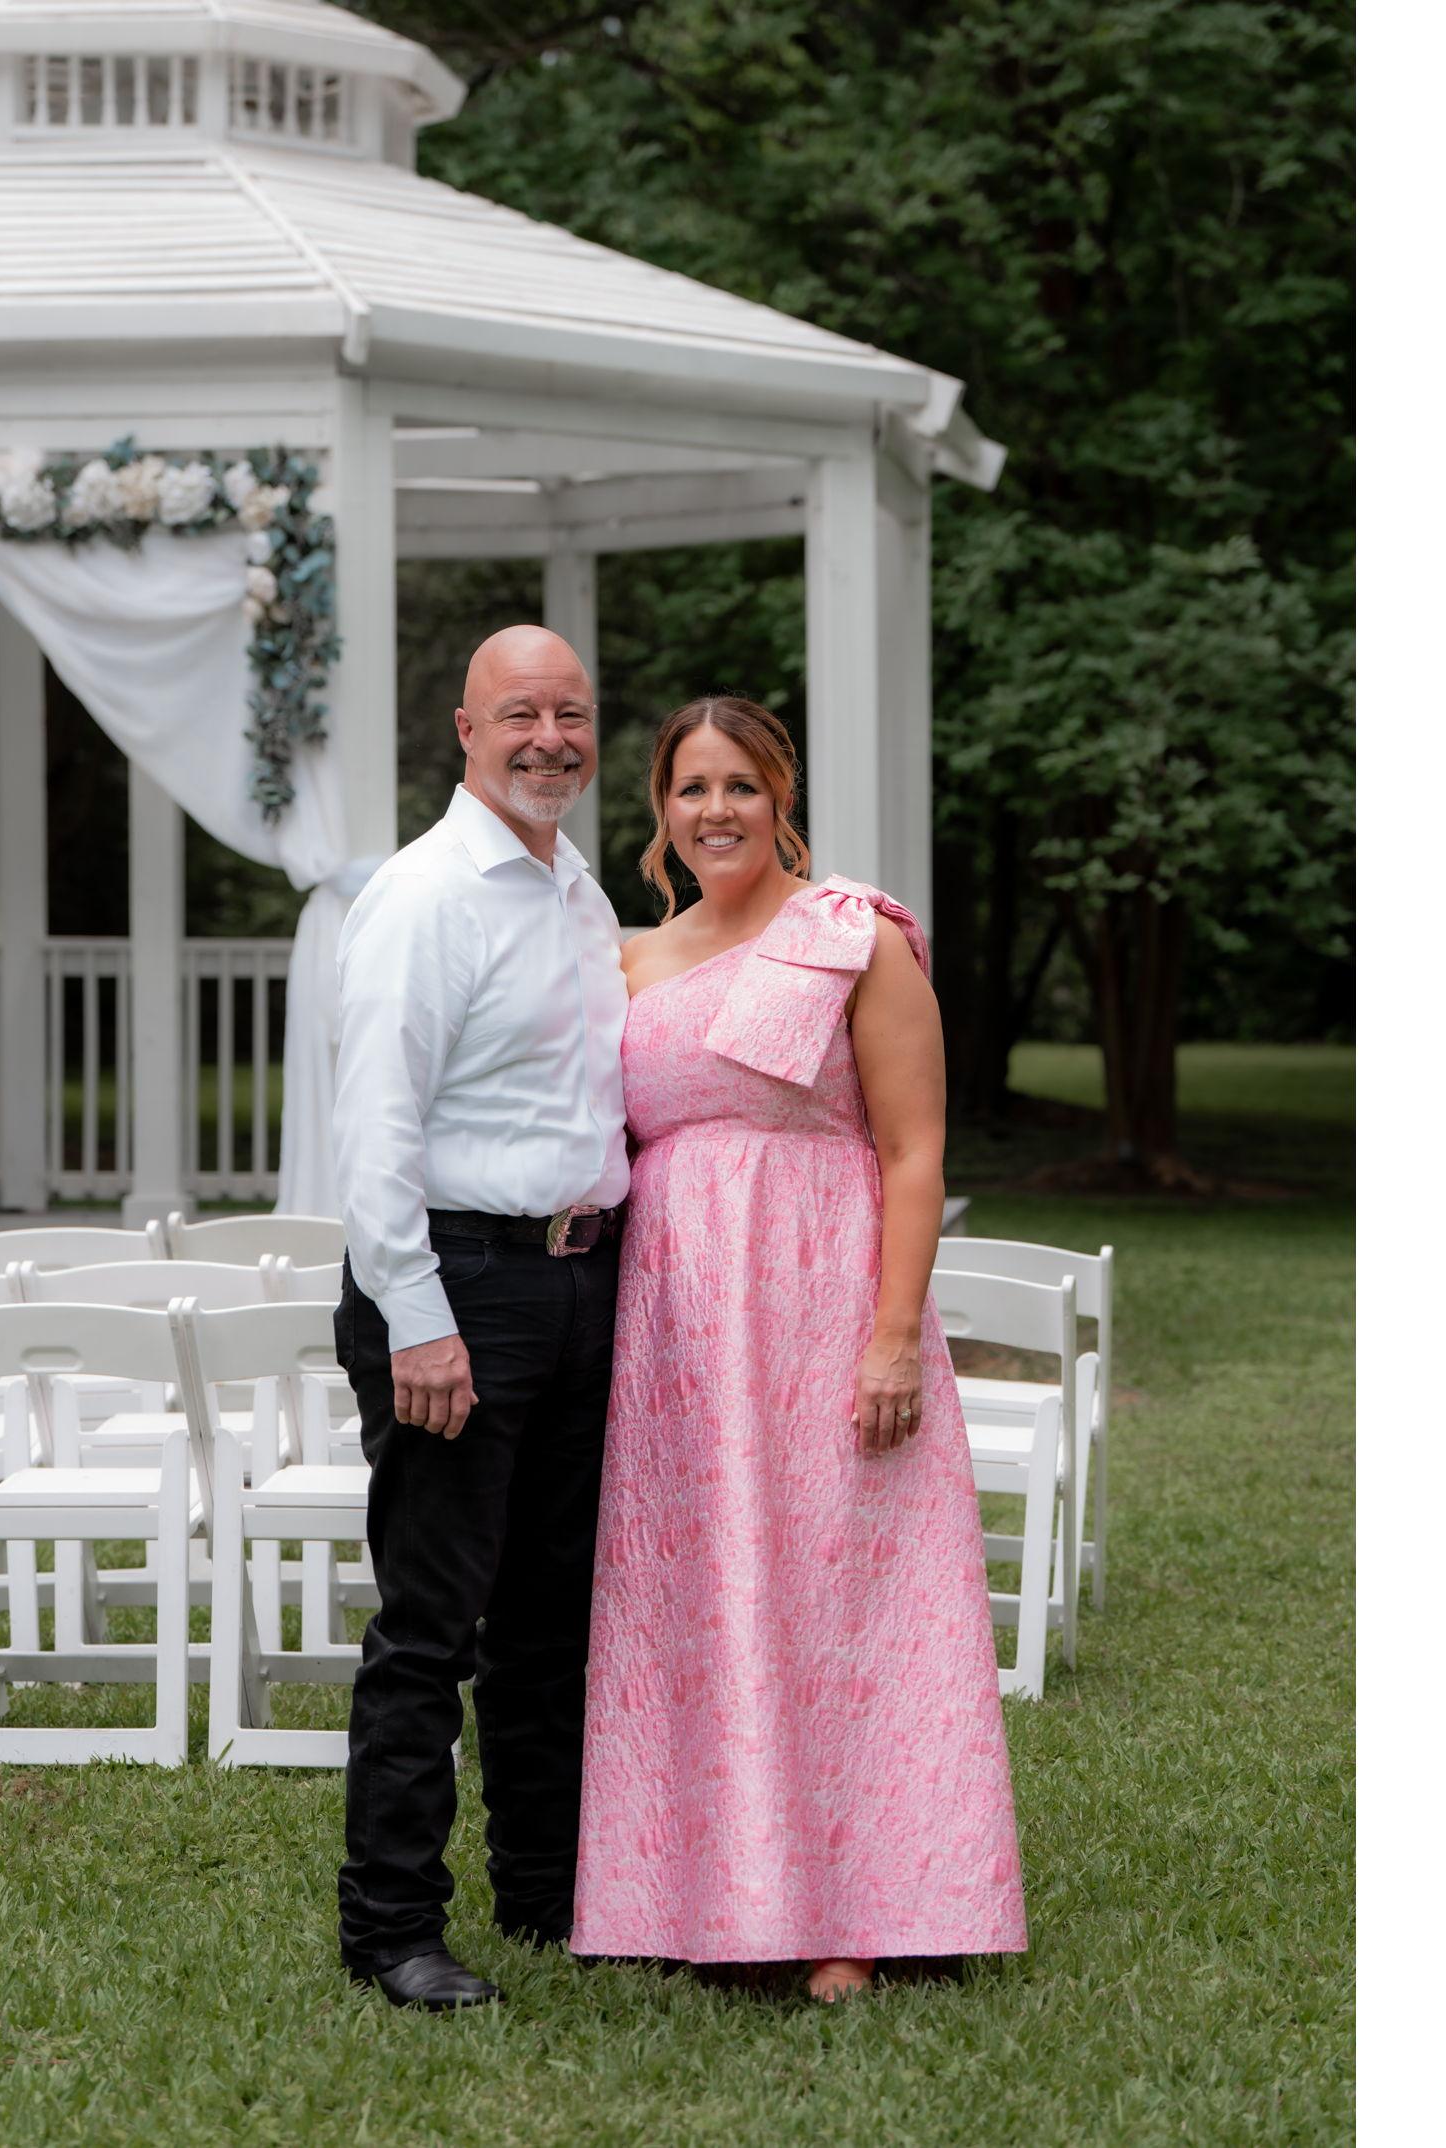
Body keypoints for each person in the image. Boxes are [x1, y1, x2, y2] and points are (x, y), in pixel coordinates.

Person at [569, 696, 1028, 2000]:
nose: (716, 809)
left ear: (782, 799)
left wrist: (894, 1338)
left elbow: (916, 1149)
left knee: (842, 1600)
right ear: (661, 809)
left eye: (741, 785)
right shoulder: (626, 963)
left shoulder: (853, 937)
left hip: (825, 1304)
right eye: (691, 787)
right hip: (677, 1330)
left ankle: (859, 1913)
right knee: (699, 1599)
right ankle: (702, 1895)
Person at [331, 625, 628, 2011]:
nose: (549, 739)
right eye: (521, 714)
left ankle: (546, 1894)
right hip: (455, 1283)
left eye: (571, 713)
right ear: (465, 730)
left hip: (577, 1282)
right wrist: (417, 1317)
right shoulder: (424, 895)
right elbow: (374, 1126)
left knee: (549, 1622)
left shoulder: (578, 890)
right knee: (430, 1627)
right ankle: (391, 1927)